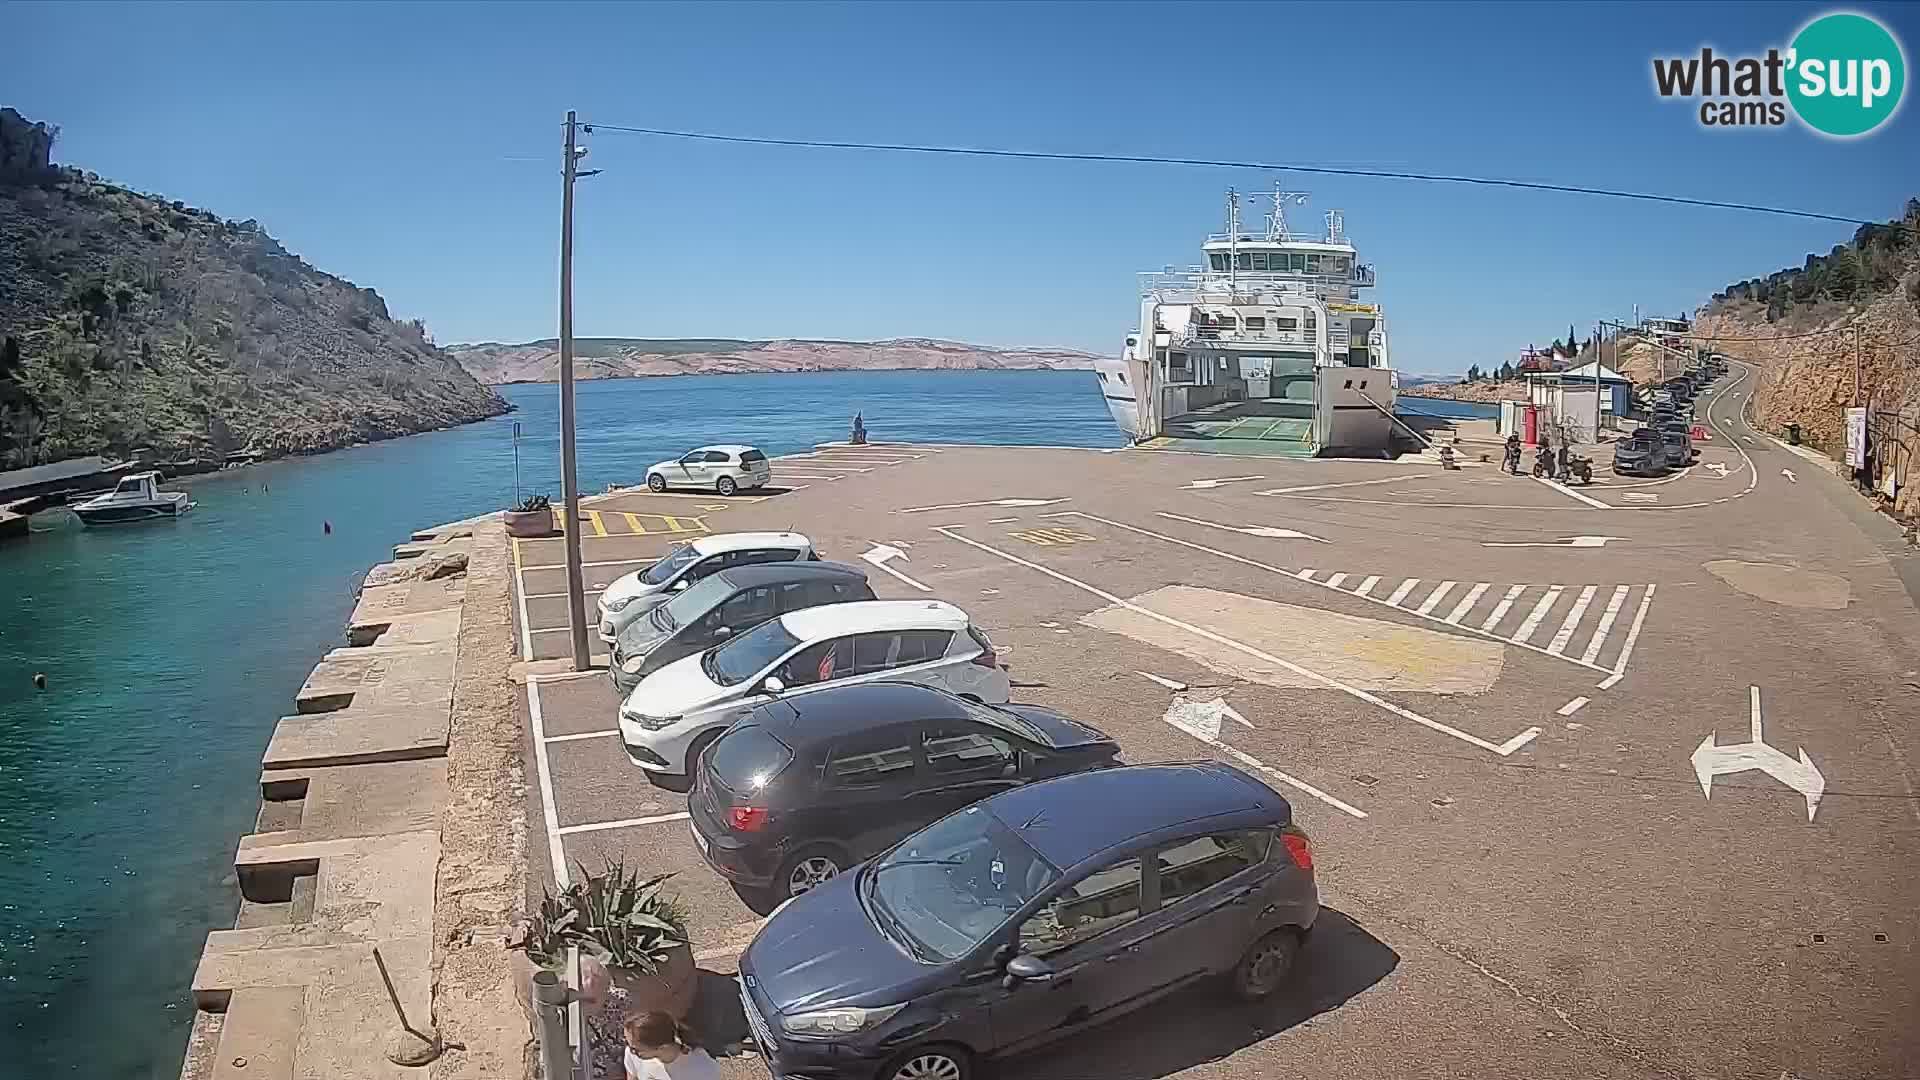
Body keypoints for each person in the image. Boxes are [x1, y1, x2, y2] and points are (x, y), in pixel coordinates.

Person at [624, 1012, 721, 1080]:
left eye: (636, 1049)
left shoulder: (702, 1069)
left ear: (662, 1047)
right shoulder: (632, 1054)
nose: (630, 1050)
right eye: (627, 1042)